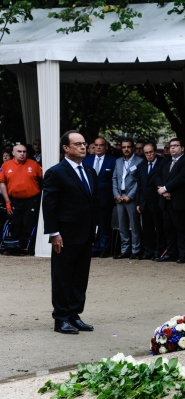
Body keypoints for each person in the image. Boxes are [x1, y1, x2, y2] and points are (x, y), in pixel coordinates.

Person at [42, 131, 98, 334]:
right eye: (78, 144)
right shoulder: (56, 172)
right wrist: (54, 233)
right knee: (62, 276)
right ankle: (61, 318)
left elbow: (92, 202)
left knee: (80, 277)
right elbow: (49, 205)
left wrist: (95, 228)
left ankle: (74, 315)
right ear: (66, 148)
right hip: (64, 234)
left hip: (85, 233)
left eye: (84, 143)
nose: (83, 147)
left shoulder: (90, 172)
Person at [155, 138, 185, 263]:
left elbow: (183, 178)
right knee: (168, 229)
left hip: (179, 201)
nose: (172, 148)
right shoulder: (165, 161)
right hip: (165, 201)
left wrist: (166, 188)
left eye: (176, 145)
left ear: (182, 148)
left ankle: (183, 255)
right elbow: (157, 175)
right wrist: (162, 189)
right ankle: (170, 253)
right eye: (171, 146)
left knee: (181, 229)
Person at [0, 144, 43, 251]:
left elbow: (44, 179)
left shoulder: (34, 164)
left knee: (28, 222)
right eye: (19, 151)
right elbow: (2, 183)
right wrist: (7, 202)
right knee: (15, 222)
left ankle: (26, 246)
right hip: (14, 199)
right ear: (13, 153)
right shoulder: (6, 166)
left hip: (31, 199)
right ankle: (15, 245)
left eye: (24, 151)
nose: (22, 154)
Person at [83, 137, 117, 258]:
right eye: (96, 145)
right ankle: (94, 247)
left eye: (101, 145)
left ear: (106, 147)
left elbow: (115, 180)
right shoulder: (86, 160)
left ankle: (104, 248)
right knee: (91, 224)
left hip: (105, 198)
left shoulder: (113, 161)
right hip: (90, 199)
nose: (98, 147)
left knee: (104, 225)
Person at [112, 138, 144, 259]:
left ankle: (136, 250)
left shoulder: (140, 161)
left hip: (131, 198)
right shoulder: (118, 161)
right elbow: (114, 179)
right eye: (124, 147)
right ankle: (125, 249)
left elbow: (138, 182)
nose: (126, 149)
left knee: (135, 225)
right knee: (122, 225)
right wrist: (117, 194)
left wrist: (130, 196)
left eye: (128, 147)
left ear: (133, 148)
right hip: (120, 197)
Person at [136, 143, 165, 260]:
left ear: (155, 151)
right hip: (144, 202)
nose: (149, 155)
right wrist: (138, 202)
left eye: (151, 152)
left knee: (159, 228)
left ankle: (159, 251)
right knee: (147, 229)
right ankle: (148, 251)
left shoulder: (162, 163)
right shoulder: (141, 165)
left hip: (158, 201)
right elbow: (139, 186)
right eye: (146, 153)